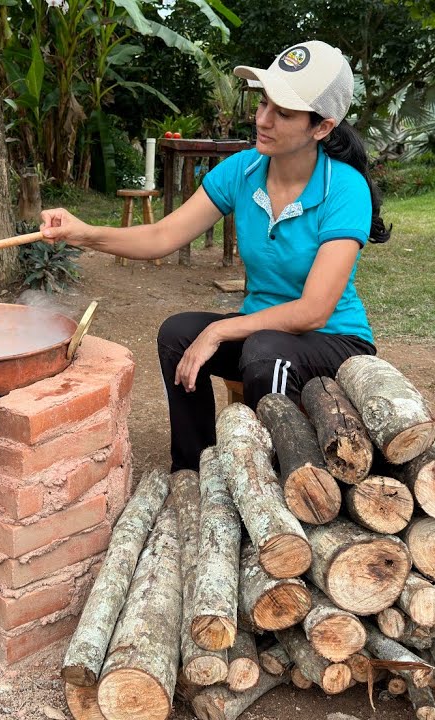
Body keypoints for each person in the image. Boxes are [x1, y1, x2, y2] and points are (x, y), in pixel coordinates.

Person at [39, 40, 389, 472]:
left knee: (264, 354)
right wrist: (82, 233)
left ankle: (272, 480)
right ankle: (194, 470)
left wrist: (220, 330)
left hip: (334, 340)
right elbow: (162, 236)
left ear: (322, 128)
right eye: (263, 103)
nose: (263, 119)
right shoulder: (243, 171)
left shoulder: (344, 188)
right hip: (262, 335)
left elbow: (314, 311)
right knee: (178, 333)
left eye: (283, 113)